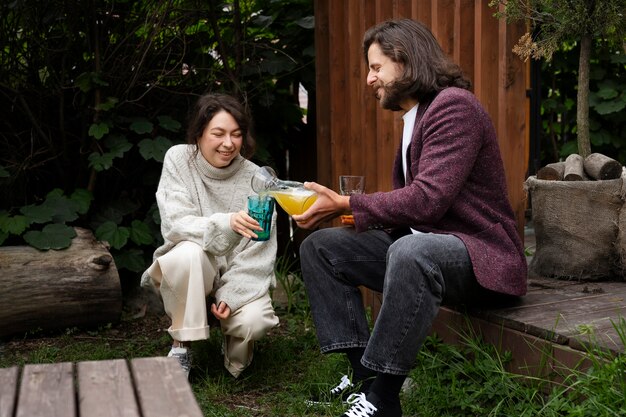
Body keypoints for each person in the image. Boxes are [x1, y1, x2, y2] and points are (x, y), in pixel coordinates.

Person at [292, 18, 528, 417]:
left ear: (406, 60)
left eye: (376, 67)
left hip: (480, 255)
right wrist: (358, 215)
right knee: (321, 248)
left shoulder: (455, 106)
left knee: (411, 250)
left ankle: (383, 398)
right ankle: (364, 384)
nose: (369, 79)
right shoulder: (414, 117)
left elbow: (428, 200)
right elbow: (417, 207)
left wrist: (349, 205)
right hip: (427, 245)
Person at [141, 93, 279, 379]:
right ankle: (182, 346)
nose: (228, 143)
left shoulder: (257, 179)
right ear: (199, 133)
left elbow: (259, 252)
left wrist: (230, 292)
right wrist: (227, 223)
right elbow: (177, 224)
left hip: (236, 274)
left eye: (236, 135)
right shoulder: (179, 159)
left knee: (255, 321)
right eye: (218, 133)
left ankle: (233, 354)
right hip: (190, 271)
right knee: (189, 253)